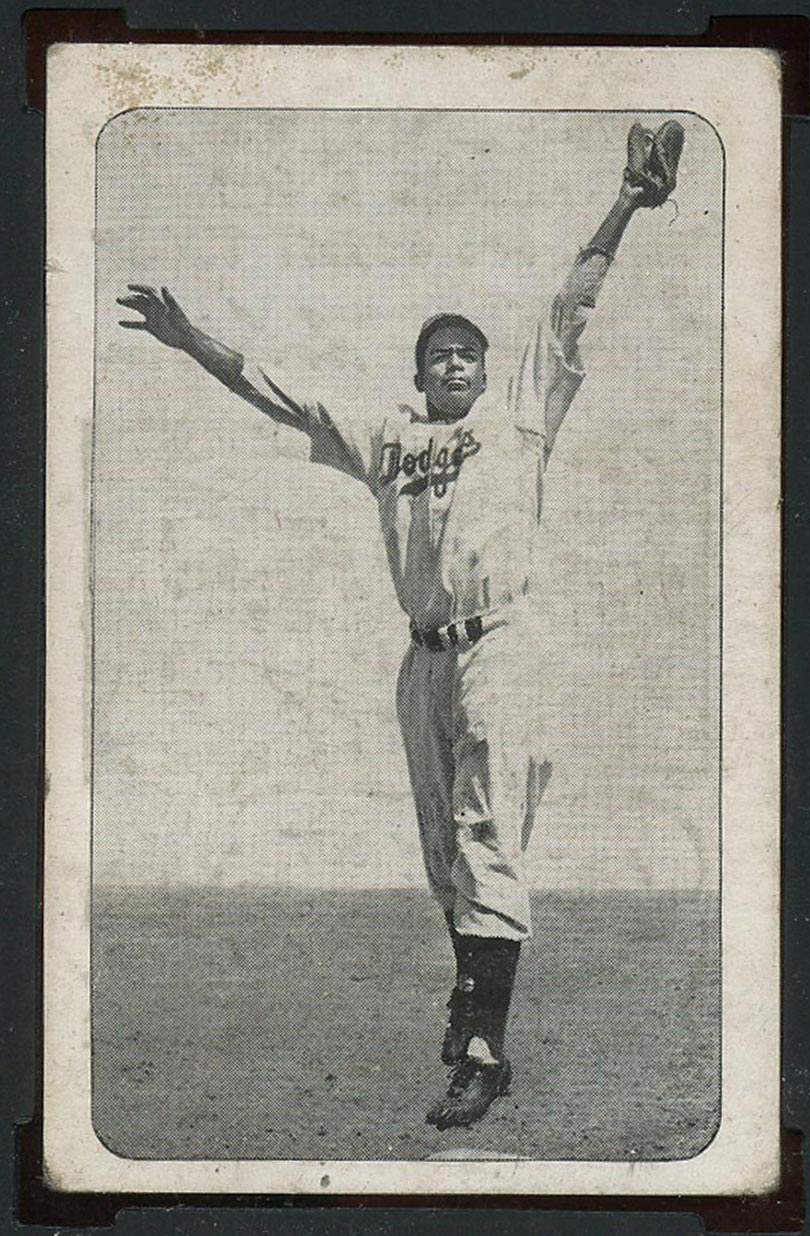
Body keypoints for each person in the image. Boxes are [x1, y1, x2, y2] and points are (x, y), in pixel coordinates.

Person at [117, 120, 684, 1131]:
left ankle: (480, 1048)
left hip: (501, 646)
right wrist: (185, 336)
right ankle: (473, 1005)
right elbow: (274, 392)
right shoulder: (386, 439)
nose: (455, 364)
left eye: (466, 352)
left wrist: (627, 203)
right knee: (442, 855)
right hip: (419, 664)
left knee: (485, 840)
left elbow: (569, 307)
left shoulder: (515, 421)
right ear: (418, 376)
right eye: (438, 355)